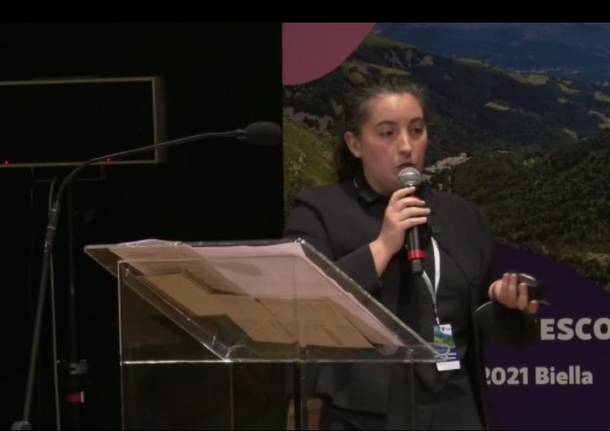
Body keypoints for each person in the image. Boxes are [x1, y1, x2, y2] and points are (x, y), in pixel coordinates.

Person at [284, 78, 540, 429]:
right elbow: (303, 305)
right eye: (387, 133)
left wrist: (508, 307)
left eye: (416, 130)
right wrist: (383, 245)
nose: (406, 146)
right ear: (355, 144)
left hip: (455, 408)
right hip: (364, 415)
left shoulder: (463, 215)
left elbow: (491, 326)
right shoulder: (321, 210)